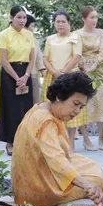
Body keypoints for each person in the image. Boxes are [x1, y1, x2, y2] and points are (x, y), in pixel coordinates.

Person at [12, 72, 103, 206]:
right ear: (59, 96)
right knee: (98, 178)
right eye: (75, 104)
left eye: (81, 107)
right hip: (40, 190)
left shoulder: (40, 108)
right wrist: (87, 185)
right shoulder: (46, 122)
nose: (77, 111)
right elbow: (56, 159)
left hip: (29, 180)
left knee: (88, 163)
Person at [0, 5, 35, 156]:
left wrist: (25, 76)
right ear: (11, 18)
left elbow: (32, 58)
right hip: (9, 74)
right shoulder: (4, 35)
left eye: (24, 17)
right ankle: (10, 141)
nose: (22, 20)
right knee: (11, 108)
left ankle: (24, 140)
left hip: (25, 73)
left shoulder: (29, 35)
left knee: (26, 108)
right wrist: (17, 78)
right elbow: (3, 60)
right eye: (18, 17)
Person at [42, 10, 82, 151]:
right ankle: (55, 140)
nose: (60, 24)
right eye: (57, 21)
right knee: (54, 107)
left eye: (63, 21)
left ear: (69, 23)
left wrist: (64, 72)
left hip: (70, 76)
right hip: (53, 77)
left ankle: (70, 142)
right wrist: (54, 72)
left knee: (71, 107)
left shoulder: (75, 37)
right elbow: (45, 58)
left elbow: (76, 56)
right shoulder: (50, 39)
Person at [73, 6, 103, 151]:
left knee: (101, 102)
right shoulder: (77, 34)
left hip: (99, 70)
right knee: (83, 103)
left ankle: (100, 138)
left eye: (96, 17)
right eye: (91, 17)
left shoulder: (101, 33)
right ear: (84, 18)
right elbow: (76, 53)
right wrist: (83, 67)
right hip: (82, 70)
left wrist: (93, 66)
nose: (95, 20)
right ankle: (86, 138)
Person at [25, 14, 46, 104]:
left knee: (34, 101)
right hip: (18, 76)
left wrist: (44, 73)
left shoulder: (34, 41)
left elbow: (39, 59)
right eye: (32, 26)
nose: (33, 29)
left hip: (33, 75)